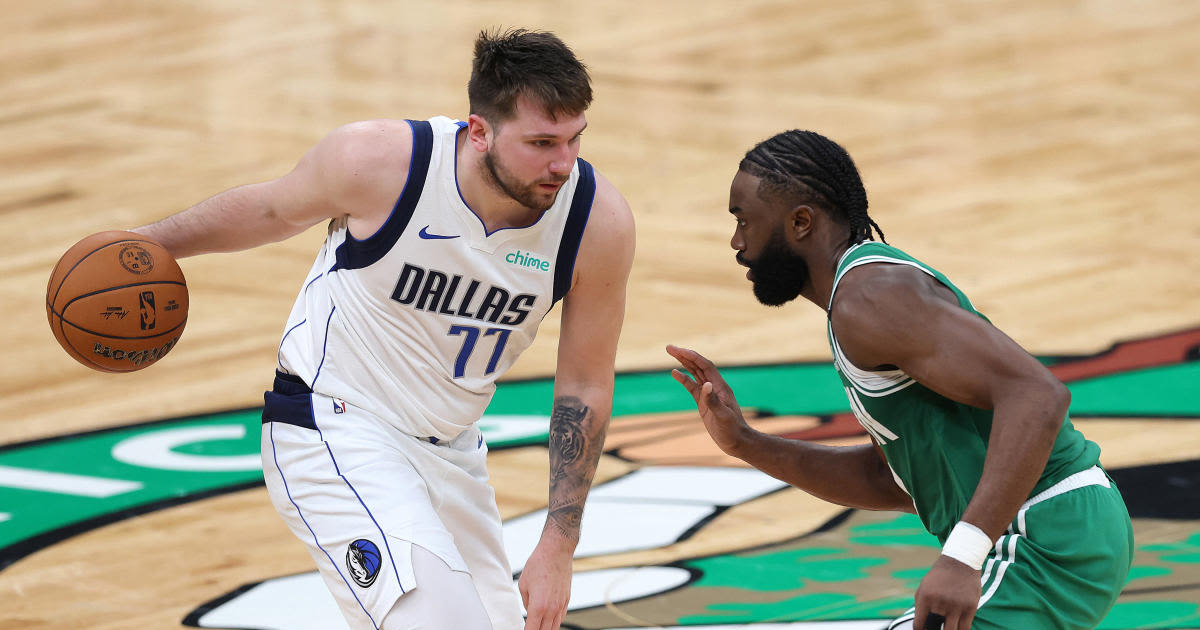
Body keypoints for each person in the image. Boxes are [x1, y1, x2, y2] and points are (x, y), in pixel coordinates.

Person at [133, 28, 635, 630]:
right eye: (541, 142)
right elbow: (270, 210)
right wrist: (143, 245)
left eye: (575, 139)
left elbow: (584, 383)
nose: (564, 163)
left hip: (453, 454)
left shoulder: (595, 222)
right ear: (479, 132)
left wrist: (559, 542)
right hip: (336, 424)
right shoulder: (382, 163)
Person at [667, 130, 1132, 630]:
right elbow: (894, 480)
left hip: (1042, 536)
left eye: (744, 223)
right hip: (1061, 528)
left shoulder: (871, 298)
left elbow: (1038, 395)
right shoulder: (862, 298)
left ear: (800, 222)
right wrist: (745, 443)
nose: (737, 245)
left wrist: (961, 558)